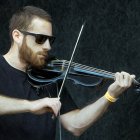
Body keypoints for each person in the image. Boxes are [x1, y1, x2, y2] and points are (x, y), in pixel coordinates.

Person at [0, 5, 135, 140]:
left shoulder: (48, 76)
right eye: (40, 38)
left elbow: (75, 125)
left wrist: (110, 96)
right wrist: (31, 105)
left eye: (50, 40)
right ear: (17, 36)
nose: (48, 46)